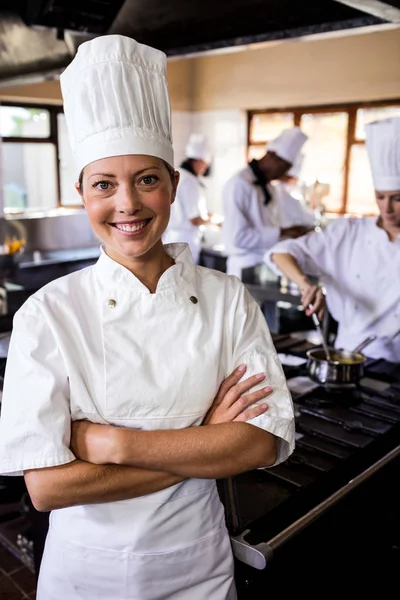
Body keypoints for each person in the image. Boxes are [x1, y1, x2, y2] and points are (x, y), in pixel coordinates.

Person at [0, 35, 295, 600]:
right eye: (105, 184)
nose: (128, 205)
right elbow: (48, 488)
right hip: (85, 575)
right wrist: (205, 441)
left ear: (173, 185)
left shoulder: (228, 299)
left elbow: (259, 445)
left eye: (147, 179)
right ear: (81, 192)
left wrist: (115, 444)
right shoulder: (49, 314)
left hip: (198, 570)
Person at [266, 115, 400, 363]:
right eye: (381, 197)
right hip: (348, 356)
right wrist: (306, 285)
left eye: (397, 199)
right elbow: (281, 253)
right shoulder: (349, 232)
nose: (387, 208)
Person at [222, 126, 312, 279]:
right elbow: (238, 238)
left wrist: (290, 232)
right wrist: (283, 232)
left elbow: (267, 225)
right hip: (244, 269)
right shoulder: (239, 184)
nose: (283, 174)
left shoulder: (269, 186)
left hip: (263, 264)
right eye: (283, 167)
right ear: (271, 156)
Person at [162, 133, 213, 263]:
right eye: (205, 165)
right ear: (198, 162)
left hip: (171, 238)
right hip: (186, 242)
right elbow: (194, 219)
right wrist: (214, 222)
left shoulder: (178, 174)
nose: (205, 169)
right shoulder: (190, 181)